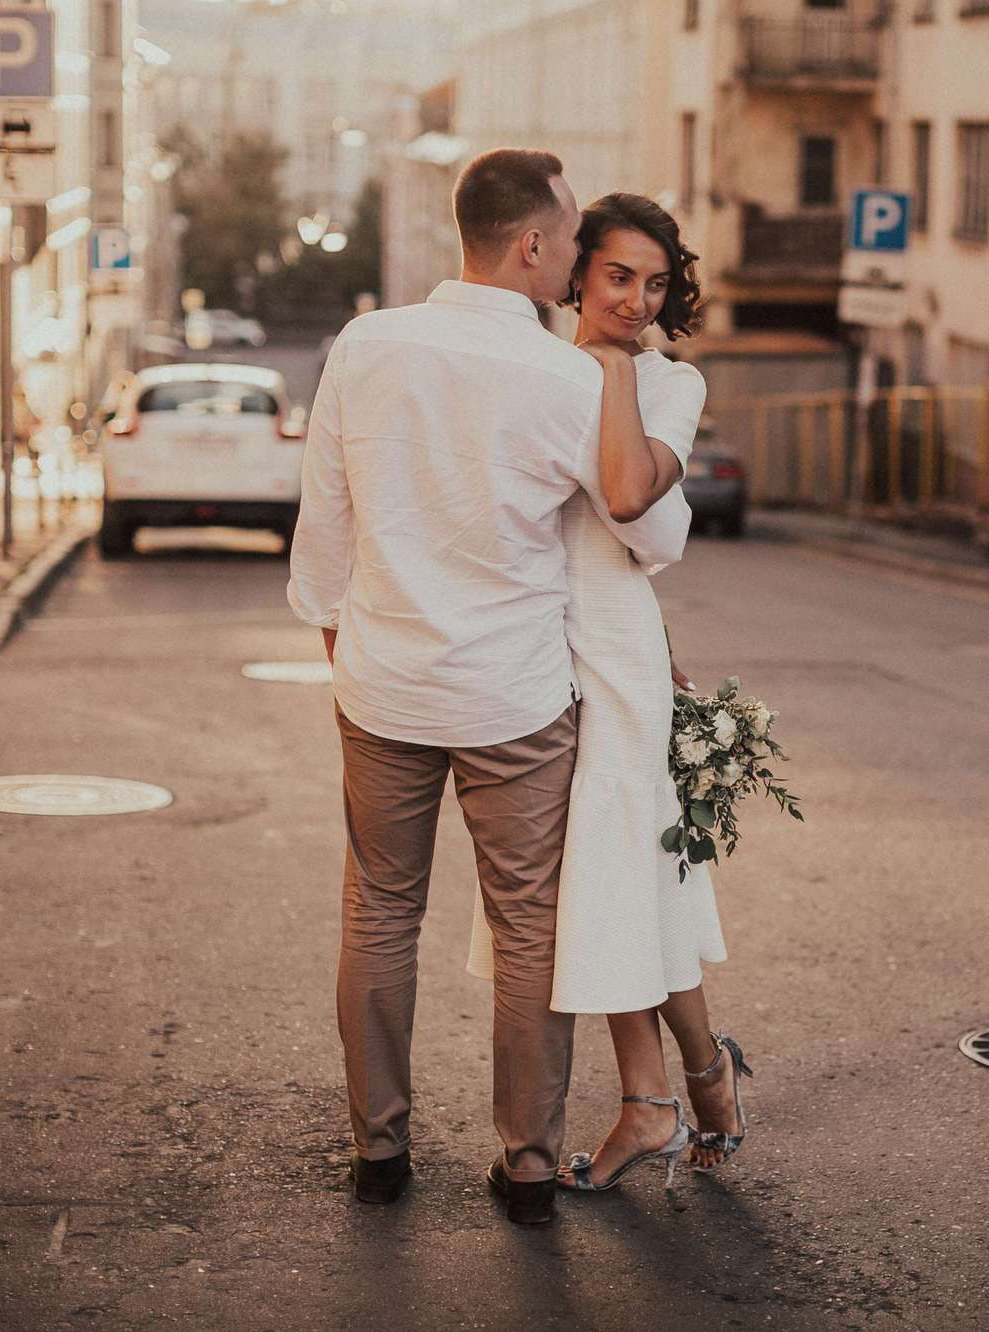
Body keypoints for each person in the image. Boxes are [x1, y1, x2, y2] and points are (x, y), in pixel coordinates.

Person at [285, 149, 680, 1228]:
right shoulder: (565, 377)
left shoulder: (366, 345)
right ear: (534, 245)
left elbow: (324, 521)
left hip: (383, 685)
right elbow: (642, 527)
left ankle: (378, 1150)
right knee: (526, 929)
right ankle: (526, 1165)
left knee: (377, 911)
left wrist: (347, 652)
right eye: (566, 242)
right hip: (513, 698)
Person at [465, 194, 751, 1195]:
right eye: (618, 276)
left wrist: (615, 370)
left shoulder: (671, 382)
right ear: (577, 272)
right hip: (532, 647)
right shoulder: (528, 366)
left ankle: (678, 1092)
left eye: (654, 282)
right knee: (604, 885)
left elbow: (637, 514)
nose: (635, 298)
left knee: (622, 874)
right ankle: (674, 1093)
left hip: (615, 654)